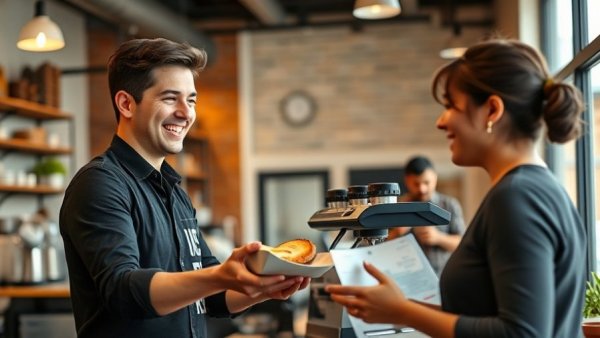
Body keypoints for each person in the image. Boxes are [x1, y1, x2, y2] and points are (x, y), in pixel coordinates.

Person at [325, 38, 587, 337]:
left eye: (451, 106)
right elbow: (490, 316)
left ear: (491, 111)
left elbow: (521, 333)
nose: (440, 121)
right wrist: (397, 307)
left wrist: (402, 311)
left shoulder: (518, 197)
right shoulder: (534, 189)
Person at [59, 38, 309, 338]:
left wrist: (263, 289)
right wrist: (219, 275)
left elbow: (212, 297)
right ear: (126, 103)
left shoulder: (175, 192)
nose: (186, 113)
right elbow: (123, 291)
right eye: (169, 98)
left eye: (191, 100)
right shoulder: (100, 183)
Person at [388, 155, 466, 275]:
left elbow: (463, 244)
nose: (422, 189)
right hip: (407, 277)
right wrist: (396, 233)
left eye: (426, 182)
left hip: (444, 277)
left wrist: (438, 238)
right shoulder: (396, 206)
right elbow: (379, 246)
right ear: (407, 181)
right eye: (416, 184)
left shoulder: (450, 205)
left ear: (435, 177)